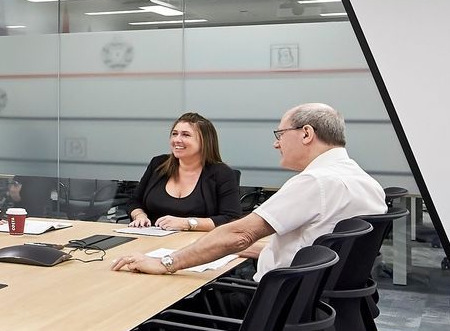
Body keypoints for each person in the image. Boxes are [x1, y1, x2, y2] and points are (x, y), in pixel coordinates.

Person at [111, 103, 383, 277]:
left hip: (273, 302)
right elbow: (302, 245)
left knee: (170, 297)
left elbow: (240, 233)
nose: (277, 144)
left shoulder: (315, 182)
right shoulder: (364, 181)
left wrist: (165, 263)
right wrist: (210, 248)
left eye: (280, 135)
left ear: (306, 134)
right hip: (311, 297)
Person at [120, 111, 244, 233]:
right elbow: (134, 201)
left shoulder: (222, 173)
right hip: (150, 239)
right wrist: (139, 216)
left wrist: (187, 223)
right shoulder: (158, 164)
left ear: (204, 141)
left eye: (185, 135)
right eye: (174, 134)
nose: (177, 140)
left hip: (198, 244)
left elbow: (231, 219)